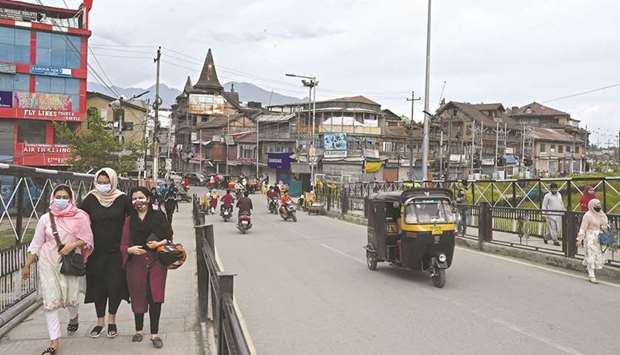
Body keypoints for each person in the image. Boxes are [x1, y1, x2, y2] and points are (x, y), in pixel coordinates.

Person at [22, 185, 94, 355]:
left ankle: (74, 316)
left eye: (65, 196)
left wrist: (72, 245)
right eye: (58, 196)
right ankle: (54, 341)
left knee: (71, 298)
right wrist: (27, 264)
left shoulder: (80, 217)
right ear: (53, 198)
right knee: (50, 303)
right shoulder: (45, 219)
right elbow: (37, 242)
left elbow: (87, 238)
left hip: (68, 264)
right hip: (48, 264)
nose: (61, 199)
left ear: (71, 199)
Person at [121, 187, 173, 348]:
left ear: (148, 199)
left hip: (156, 262)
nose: (138, 201)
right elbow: (122, 243)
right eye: (135, 198)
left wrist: (159, 243)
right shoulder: (129, 220)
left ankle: (155, 333)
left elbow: (169, 236)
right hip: (135, 263)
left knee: (155, 298)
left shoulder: (158, 216)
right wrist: (130, 250)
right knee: (137, 296)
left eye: (141, 198)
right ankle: (138, 330)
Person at [81, 168, 130, 338]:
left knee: (115, 285)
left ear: (113, 181)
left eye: (106, 182)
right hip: (95, 253)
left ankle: (112, 321)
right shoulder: (90, 199)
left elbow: (134, 221)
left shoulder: (122, 199)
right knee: (99, 286)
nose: (102, 185)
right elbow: (78, 220)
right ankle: (99, 321)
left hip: (116, 252)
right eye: (99, 182)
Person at [577, 199, 608, 283]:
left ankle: (590, 269)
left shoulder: (602, 214)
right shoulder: (587, 215)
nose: (598, 206)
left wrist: (605, 228)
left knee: (597, 256)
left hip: (600, 238)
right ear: (591, 205)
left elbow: (606, 225)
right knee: (590, 255)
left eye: (599, 204)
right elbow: (583, 228)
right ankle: (591, 275)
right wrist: (580, 239)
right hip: (590, 237)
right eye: (596, 205)